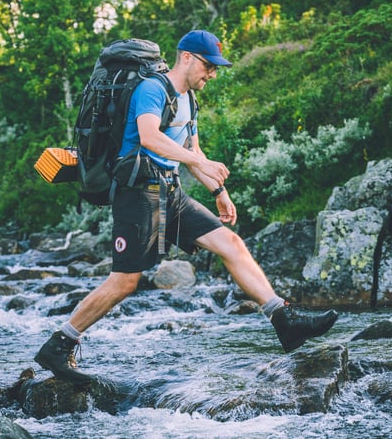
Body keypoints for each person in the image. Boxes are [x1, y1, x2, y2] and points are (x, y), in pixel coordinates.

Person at [35, 30, 338, 382]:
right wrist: (200, 165)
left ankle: (282, 318)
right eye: (208, 66)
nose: (212, 74)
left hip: (171, 191)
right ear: (187, 58)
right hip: (137, 193)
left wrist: (218, 189)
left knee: (231, 243)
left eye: (216, 68)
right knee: (124, 282)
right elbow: (149, 137)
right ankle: (59, 345)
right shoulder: (152, 89)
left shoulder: (189, 98)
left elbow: (193, 153)